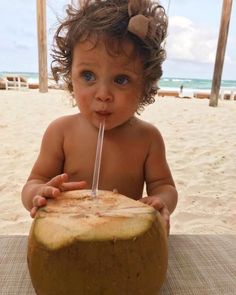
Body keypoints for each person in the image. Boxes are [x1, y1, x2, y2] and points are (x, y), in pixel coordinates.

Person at [21, 0, 178, 234]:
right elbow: (33, 183)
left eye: (121, 80)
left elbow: (164, 186)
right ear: (70, 75)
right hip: (67, 233)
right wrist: (38, 193)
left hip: (124, 235)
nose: (103, 95)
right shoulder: (61, 132)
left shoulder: (148, 138)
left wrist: (160, 201)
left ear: (145, 84)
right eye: (88, 75)